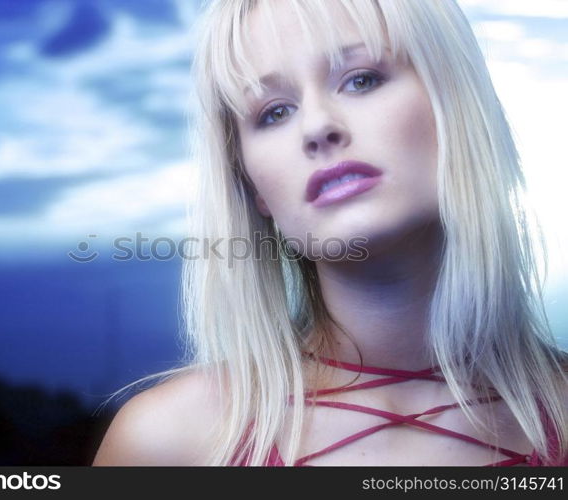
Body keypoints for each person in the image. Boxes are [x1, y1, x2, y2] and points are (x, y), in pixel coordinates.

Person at [92, 0, 568, 466]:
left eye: (361, 80)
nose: (318, 127)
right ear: (253, 187)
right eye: (274, 112)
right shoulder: (167, 445)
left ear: (456, 106)